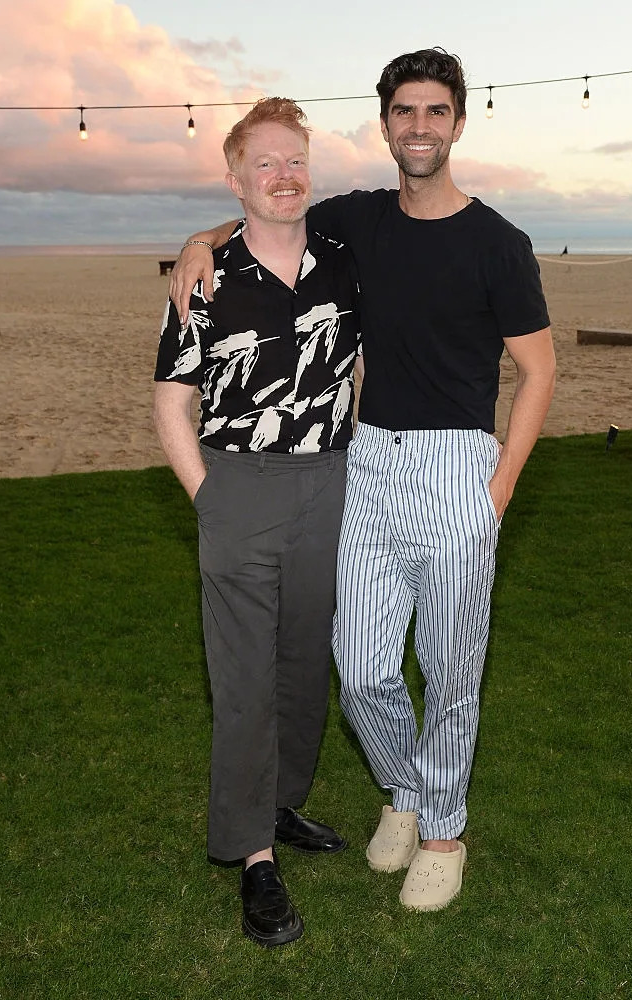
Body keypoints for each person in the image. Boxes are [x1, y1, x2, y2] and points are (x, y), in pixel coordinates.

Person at [169, 48, 556, 913]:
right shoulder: (360, 222)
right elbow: (272, 216)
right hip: (368, 459)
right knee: (363, 667)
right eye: (405, 112)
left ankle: (444, 829)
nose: (420, 126)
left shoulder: (499, 244)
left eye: (436, 112)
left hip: (460, 464)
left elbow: (540, 374)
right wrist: (200, 239)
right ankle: (408, 791)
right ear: (385, 125)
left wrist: (496, 494)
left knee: (451, 670)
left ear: (458, 122)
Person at [153, 97, 360, 947]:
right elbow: (172, 402)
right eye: (264, 163)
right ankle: (254, 857)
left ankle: (282, 803)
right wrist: (210, 497)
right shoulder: (204, 278)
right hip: (238, 484)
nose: (284, 175)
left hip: (333, 483)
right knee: (242, 684)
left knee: (308, 662)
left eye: (295, 159)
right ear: (234, 178)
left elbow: (366, 364)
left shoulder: (349, 262)